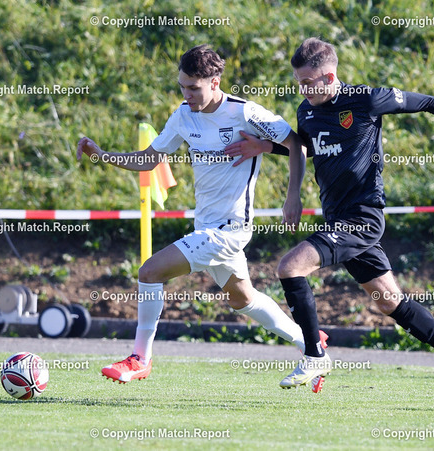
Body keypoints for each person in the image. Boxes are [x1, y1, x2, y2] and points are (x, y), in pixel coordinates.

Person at [224, 38, 434, 409]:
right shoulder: (307, 111)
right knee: (391, 303)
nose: (302, 90)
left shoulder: (366, 99)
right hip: (337, 218)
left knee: (290, 267)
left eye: (308, 83)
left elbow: (429, 102)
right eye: (298, 83)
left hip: (362, 216)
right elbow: (307, 147)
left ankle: (314, 355)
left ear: (329, 77)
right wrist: (266, 148)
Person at [77, 44, 325, 384]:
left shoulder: (245, 113)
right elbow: (149, 160)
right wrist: (102, 155)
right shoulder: (183, 115)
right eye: (182, 86)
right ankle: (311, 343)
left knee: (149, 272)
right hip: (206, 226)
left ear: (215, 82)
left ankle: (140, 359)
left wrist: (291, 193)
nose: (187, 94)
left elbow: (298, 144)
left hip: (229, 230)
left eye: (193, 87)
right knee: (243, 299)